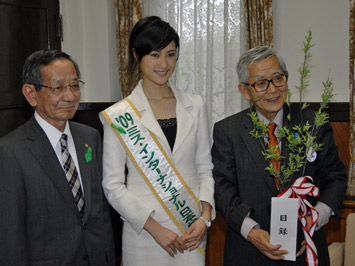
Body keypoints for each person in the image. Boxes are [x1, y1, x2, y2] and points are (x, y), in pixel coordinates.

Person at [212, 46, 347, 266]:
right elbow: (222, 188)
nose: (273, 90)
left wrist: (314, 221)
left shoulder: (312, 123)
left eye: (278, 79)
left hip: (305, 249)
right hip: (248, 253)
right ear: (245, 91)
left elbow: (336, 178)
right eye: (261, 83)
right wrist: (252, 231)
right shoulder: (228, 131)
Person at [99, 16, 215, 266]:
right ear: (136, 55)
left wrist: (204, 218)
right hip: (143, 234)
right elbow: (113, 185)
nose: (164, 63)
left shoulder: (195, 105)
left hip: (191, 230)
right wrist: (154, 228)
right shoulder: (120, 115)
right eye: (154, 54)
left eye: (171, 54)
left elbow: (205, 167)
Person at [0, 49, 116, 266]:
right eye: (57, 88)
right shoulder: (10, 152)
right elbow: (9, 235)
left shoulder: (90, 137)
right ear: (30, 94)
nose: (70, 96)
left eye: (74, 85)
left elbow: (100, 212)